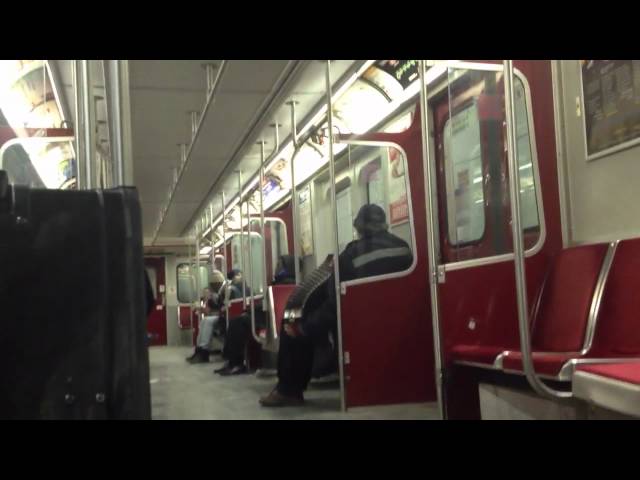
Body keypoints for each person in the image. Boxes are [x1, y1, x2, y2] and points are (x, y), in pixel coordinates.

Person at [259, 204, 413, 407]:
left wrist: (303, 328)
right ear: (384, 224)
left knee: (293, 325)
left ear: (358, 228)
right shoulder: (405, 249)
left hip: (359, 322)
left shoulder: (350, 256)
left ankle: (289, 390)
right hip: (402, 321)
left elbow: (335, 306)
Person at [214, 255, 297, 376]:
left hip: (267, 318)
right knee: (235, 322)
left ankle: (236, 363)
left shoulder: (286, 282)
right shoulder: (277, 283)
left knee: (237, 323)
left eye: (279, 265)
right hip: (264, 315)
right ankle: (232, 361)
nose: (276, 268)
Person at [185, 270, 226, 363]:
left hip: (224, 316)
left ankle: (204, 351)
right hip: (221, 315)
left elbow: (219, 308)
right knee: (204, 321)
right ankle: (199, 349)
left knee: (207, 321)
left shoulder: (222, 292)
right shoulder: (218, 294)